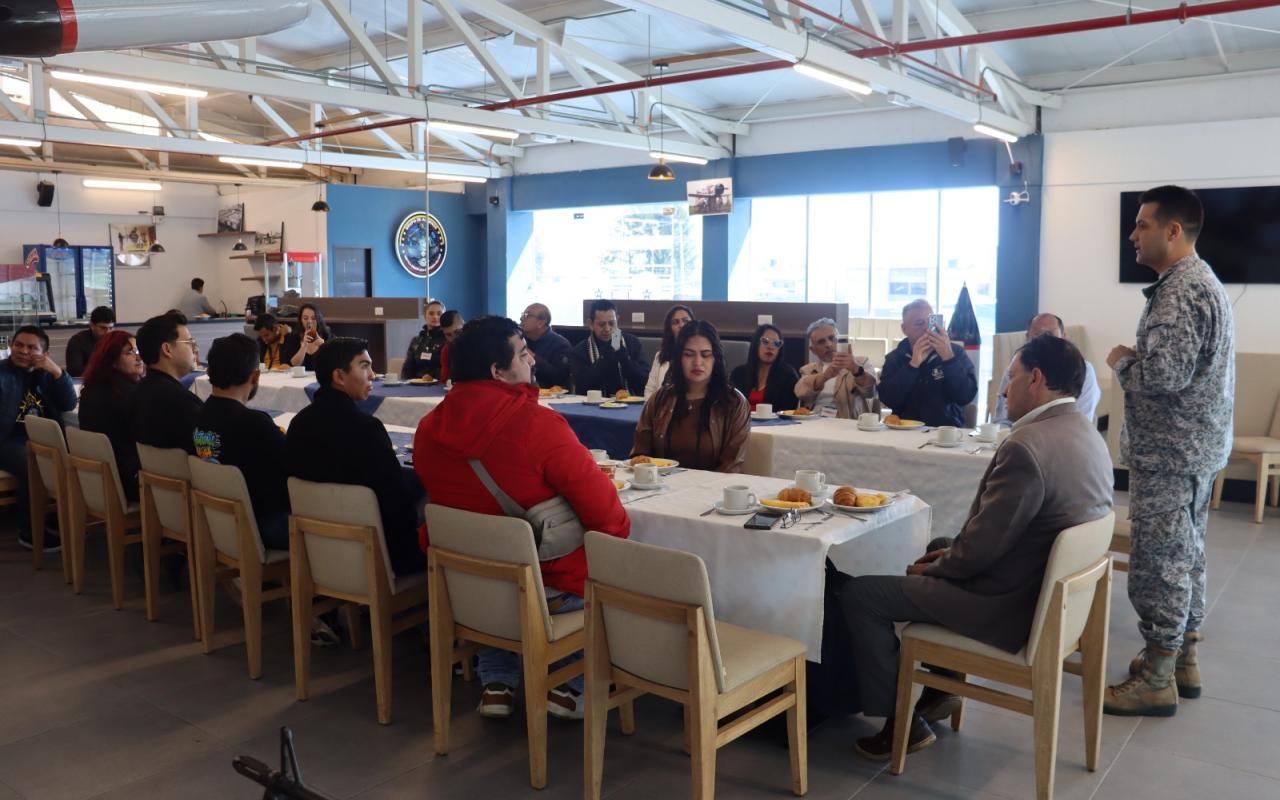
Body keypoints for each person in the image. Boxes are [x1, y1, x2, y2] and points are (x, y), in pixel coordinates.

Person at [841, 334, 1113, 760]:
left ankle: (902, 724)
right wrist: (946, 554)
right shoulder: (1088, 434)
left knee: (861, 595)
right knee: (939, 543)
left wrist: (936, 568)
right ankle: (940, 691)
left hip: (1006, 604)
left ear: (1036, 378)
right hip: (1048, 591)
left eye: (1011, 377)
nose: (1004, 389)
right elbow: (990, 540)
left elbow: (978, 553)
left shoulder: (1027, 446)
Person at [416, 315, 630, 721]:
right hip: (545, 586)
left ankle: (498, 679)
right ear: (498, 371)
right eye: (522, 352)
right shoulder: (537, 425)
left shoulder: (428, 430)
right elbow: (606, 514)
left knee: (496, 558)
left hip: (466, 585)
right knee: (608, 567)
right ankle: (572, 685)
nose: (532, 358)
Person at [1103, 185, 1235, 717]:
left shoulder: (1180, 291)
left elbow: (1163, 374)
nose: (1133, 235)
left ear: (1173, 231)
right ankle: (1182, 660)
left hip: (1171, 454)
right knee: (1188, 558)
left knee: (1160, 564)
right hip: (1196, 449)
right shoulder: (1202, 282)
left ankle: (1158, 675)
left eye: (1142, 225)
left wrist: (1120, 361)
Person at [286, 337, 425, 578]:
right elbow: (396, 501)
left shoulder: (298, 424)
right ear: (339, 376)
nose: (372, 375)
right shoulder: (366, 429)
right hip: (377, 559)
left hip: (320, 553)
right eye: (364, 366)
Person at [632, 320, 751, 472]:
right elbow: (640, 457)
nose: (697, 362)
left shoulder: (734, 402)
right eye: (689, 354)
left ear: (716, 358)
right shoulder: (660, 399)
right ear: (679, 358)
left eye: (705, 355)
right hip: (661, 489)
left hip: (713, 491)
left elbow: (731, 466)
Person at [0, 325, 77, 552]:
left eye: (31, 347)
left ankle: (52, 514)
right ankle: (30, 529)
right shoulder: (2, 373)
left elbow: (69, 404)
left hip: (45, 438)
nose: (23, 351)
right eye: (18, 345)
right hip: (8, 439)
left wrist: (57, 373)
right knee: (32, 461)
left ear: (44, 353)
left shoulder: (48, 375)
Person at [879, 300, 978, 427]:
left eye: (931, 322)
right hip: (905, 430)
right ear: (904, 329)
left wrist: (948, 358)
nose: (926, 329)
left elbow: (966, 396)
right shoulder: (895, 357)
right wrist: (912, 365)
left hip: (946, 431)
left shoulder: (955, 353)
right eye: (919, 324)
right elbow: (889, 399)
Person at [992, 313, 1102, 425]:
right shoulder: (1016, 369)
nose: (1044, 340)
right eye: (1037, 335)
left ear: (1063, 337)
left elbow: (1080, 420)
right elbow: (1002, 420)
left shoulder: (1082, 370)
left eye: (1050, 334)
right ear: (1027, 337)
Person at [77, 331, 145, 502]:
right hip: (128, 481)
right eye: (129, 353)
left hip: (100, 477)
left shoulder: (91, 388)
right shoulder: (127, 394)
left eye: (138, 351)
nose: (138, 358)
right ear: (112, 360)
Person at [130, 312, 202, 452]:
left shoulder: (135, 393)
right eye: (189, 342)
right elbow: (209, 455)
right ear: (167, 349)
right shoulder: (184, 403)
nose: (195, 348)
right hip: (187, 473)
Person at [795, 318, 877, 418]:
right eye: (821, 342)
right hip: (814, 422)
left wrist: (856, 369)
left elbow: (870, 392)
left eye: (832, 338)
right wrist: (825, 376)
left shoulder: (861, 362)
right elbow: (800, 392)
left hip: (847, 423)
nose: (828, 344)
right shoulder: (808, 369)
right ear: (813, 350)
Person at [570, 299, 649, 396]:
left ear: (617, 321)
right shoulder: (580, 350)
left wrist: (625, 358)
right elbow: (582, 387)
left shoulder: (632, 342)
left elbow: (645, 383)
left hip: (630, 404)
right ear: (591, 324)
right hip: (594, 407)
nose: (607, 329)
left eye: (612, 323)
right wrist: (604, 359)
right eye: (601, 324)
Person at [730, 323, 799, 412]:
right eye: (765, 341)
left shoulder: (788, 375)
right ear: (756, 344)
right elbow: (730, 408)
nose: (770, 347)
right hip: (742, 424)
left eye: (776, 343)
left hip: (775, 425)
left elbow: (788, 412)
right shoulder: (738, 373)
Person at [644, 304, 694, 396]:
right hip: (660, 408)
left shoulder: (700, 357)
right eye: (675, 322)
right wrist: (653, 409)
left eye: (685, 321)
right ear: (670, 329)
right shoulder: (660, 356)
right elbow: (650, 390)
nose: (681, 325)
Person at [520, 303, 573, 389]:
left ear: (541, 323)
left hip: (550, 396)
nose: (521, 318)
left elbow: (560, 378)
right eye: (523, 314)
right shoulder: (519, 340)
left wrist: (533, 357)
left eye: (527, 315)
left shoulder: (560, 344)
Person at [64, 305, 115, 378]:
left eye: (110, 328)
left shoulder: (116, 340)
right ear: (92, 325)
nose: (107, 332)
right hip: (86, 383)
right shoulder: (77, 341)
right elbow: (75, 371)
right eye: (103, 328)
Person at [401, 299, 446, 380]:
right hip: (415, 384)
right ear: (425, 316)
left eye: (439, 314)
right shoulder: (417, 340)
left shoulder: (448, 340)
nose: (435, 317)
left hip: (438, 384)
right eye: (431, 313)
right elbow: (407, 368)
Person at [284, 303, 331, 371]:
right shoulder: (294, 337)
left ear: (318, 319)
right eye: (305, 318)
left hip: (322, 378)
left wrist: (323, 344)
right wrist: (304, 346)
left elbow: (335, 361)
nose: (309, 321)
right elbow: (293, 364)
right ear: (301, 320)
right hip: (300, 379)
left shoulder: (327, 335)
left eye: (313, 318)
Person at [436, 310, 465, 383]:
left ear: (464, 326)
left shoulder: (478, 345)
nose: (453, 338)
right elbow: (444, 380)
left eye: (458, 332)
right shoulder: (446, 350)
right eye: (448, 335)